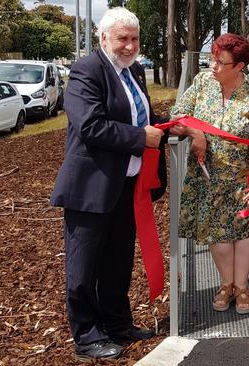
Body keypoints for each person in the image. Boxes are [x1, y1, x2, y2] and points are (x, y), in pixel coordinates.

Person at [50, 7, 168, 360]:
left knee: (118, 262)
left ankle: (117, 322)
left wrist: (170, 126)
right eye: (122, 38)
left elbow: (138, 116)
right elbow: (90, 126)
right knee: (84, 267)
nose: (130, 45)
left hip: (126, 187)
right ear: (103, 39)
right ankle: (86, 336)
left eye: (134, 39)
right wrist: (140, 138)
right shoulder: (87, 71)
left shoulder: (134, 71)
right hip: (90, 187)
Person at [170, 34, 249, 315]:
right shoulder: (202, 83)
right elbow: (178, 114)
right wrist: (196, 132)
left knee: (244, 230)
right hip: (209, 176)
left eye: (221, 62)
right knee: (218, 232)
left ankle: (243, 286)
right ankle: (226, 284)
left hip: (246, 176)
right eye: (212, 60)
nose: (214, 67)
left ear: (240, 66)